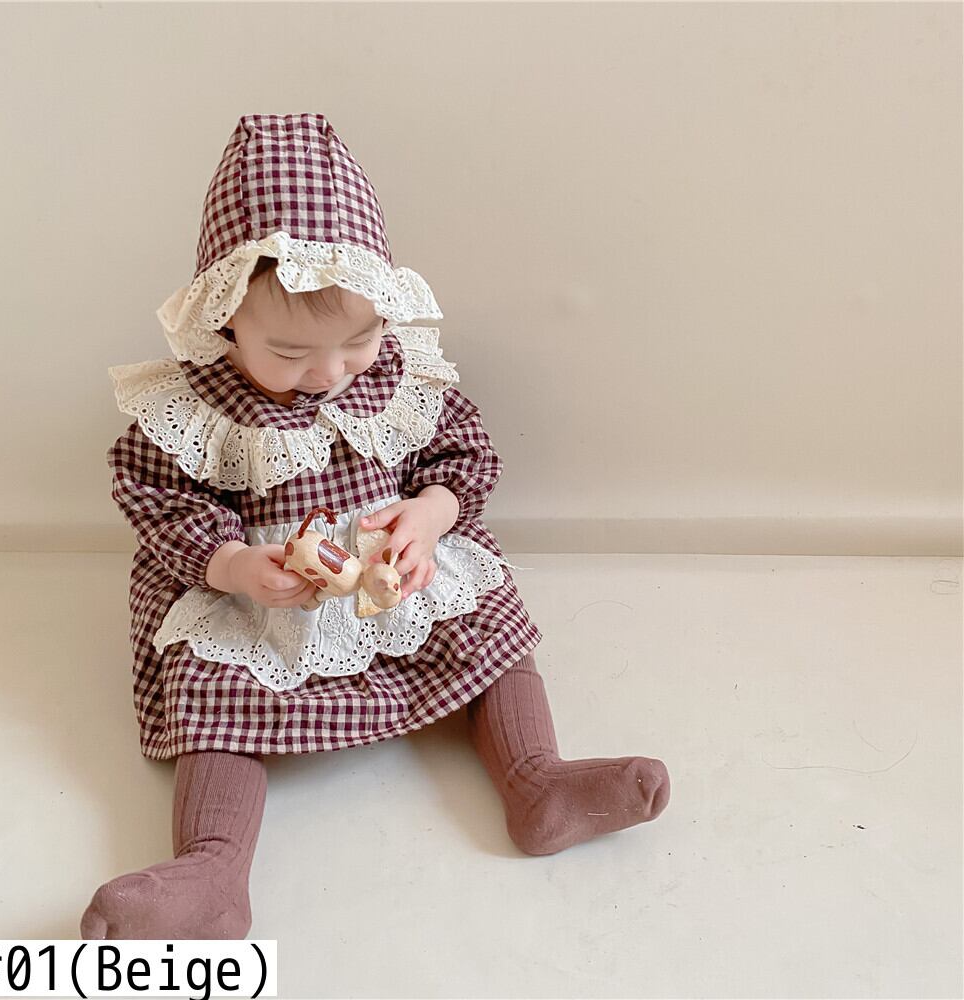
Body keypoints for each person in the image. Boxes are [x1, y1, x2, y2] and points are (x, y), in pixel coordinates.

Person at [81, 113, 670, 940]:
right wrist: (235, 565)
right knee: (213, 692)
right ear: (226, 320)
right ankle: (212, 871)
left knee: (489, 627)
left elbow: (464, 456)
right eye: (290, 353)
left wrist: (430, 516)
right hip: (265, 598)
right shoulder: (199, 407)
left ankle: (537, 781)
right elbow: (162, 504)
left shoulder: (398, 377)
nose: (327, 374)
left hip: (397, 574)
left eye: (357, 340)